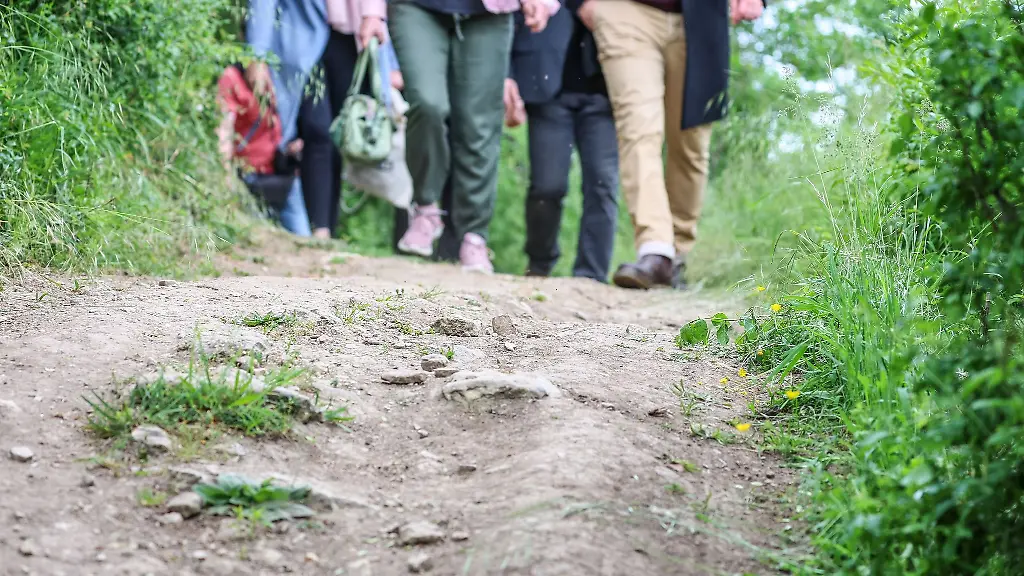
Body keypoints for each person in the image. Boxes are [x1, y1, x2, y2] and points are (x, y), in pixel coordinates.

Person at [362, 0, 560, 274]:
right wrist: (372, 12)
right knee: (428, 104)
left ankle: (474, 235)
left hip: (488, 13)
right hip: (415, 7)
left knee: (478, 123)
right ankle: (426, 207)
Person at [581, 0, 765, 289]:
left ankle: (679, 253)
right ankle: (656, 250)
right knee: (638, 130)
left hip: (702, 19)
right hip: (623, 11)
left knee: (690, 144)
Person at [504, 1, 618, 281]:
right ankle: (539, 264)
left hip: (608, 91)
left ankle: (591, 275)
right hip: (546, 88)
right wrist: (508, 74)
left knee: (603, 183)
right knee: (547, 186)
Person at [299, 0, 389, 240]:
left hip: (352, 36)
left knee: (340, 134)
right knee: (316, 129)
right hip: (303, 34)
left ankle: (328, 226)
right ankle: (318, 228)